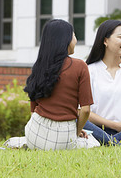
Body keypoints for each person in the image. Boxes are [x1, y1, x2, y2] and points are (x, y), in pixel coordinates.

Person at [23, 19, 95, 150]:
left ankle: (21, 143)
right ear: (65, 39)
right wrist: (76, 132)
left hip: (33, 134)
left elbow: (33, 110)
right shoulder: (80, 66)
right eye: (73, 35)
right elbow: (85, 110)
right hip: (64, 134)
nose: (76, 40)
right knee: (94, 143)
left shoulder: (39, 66)